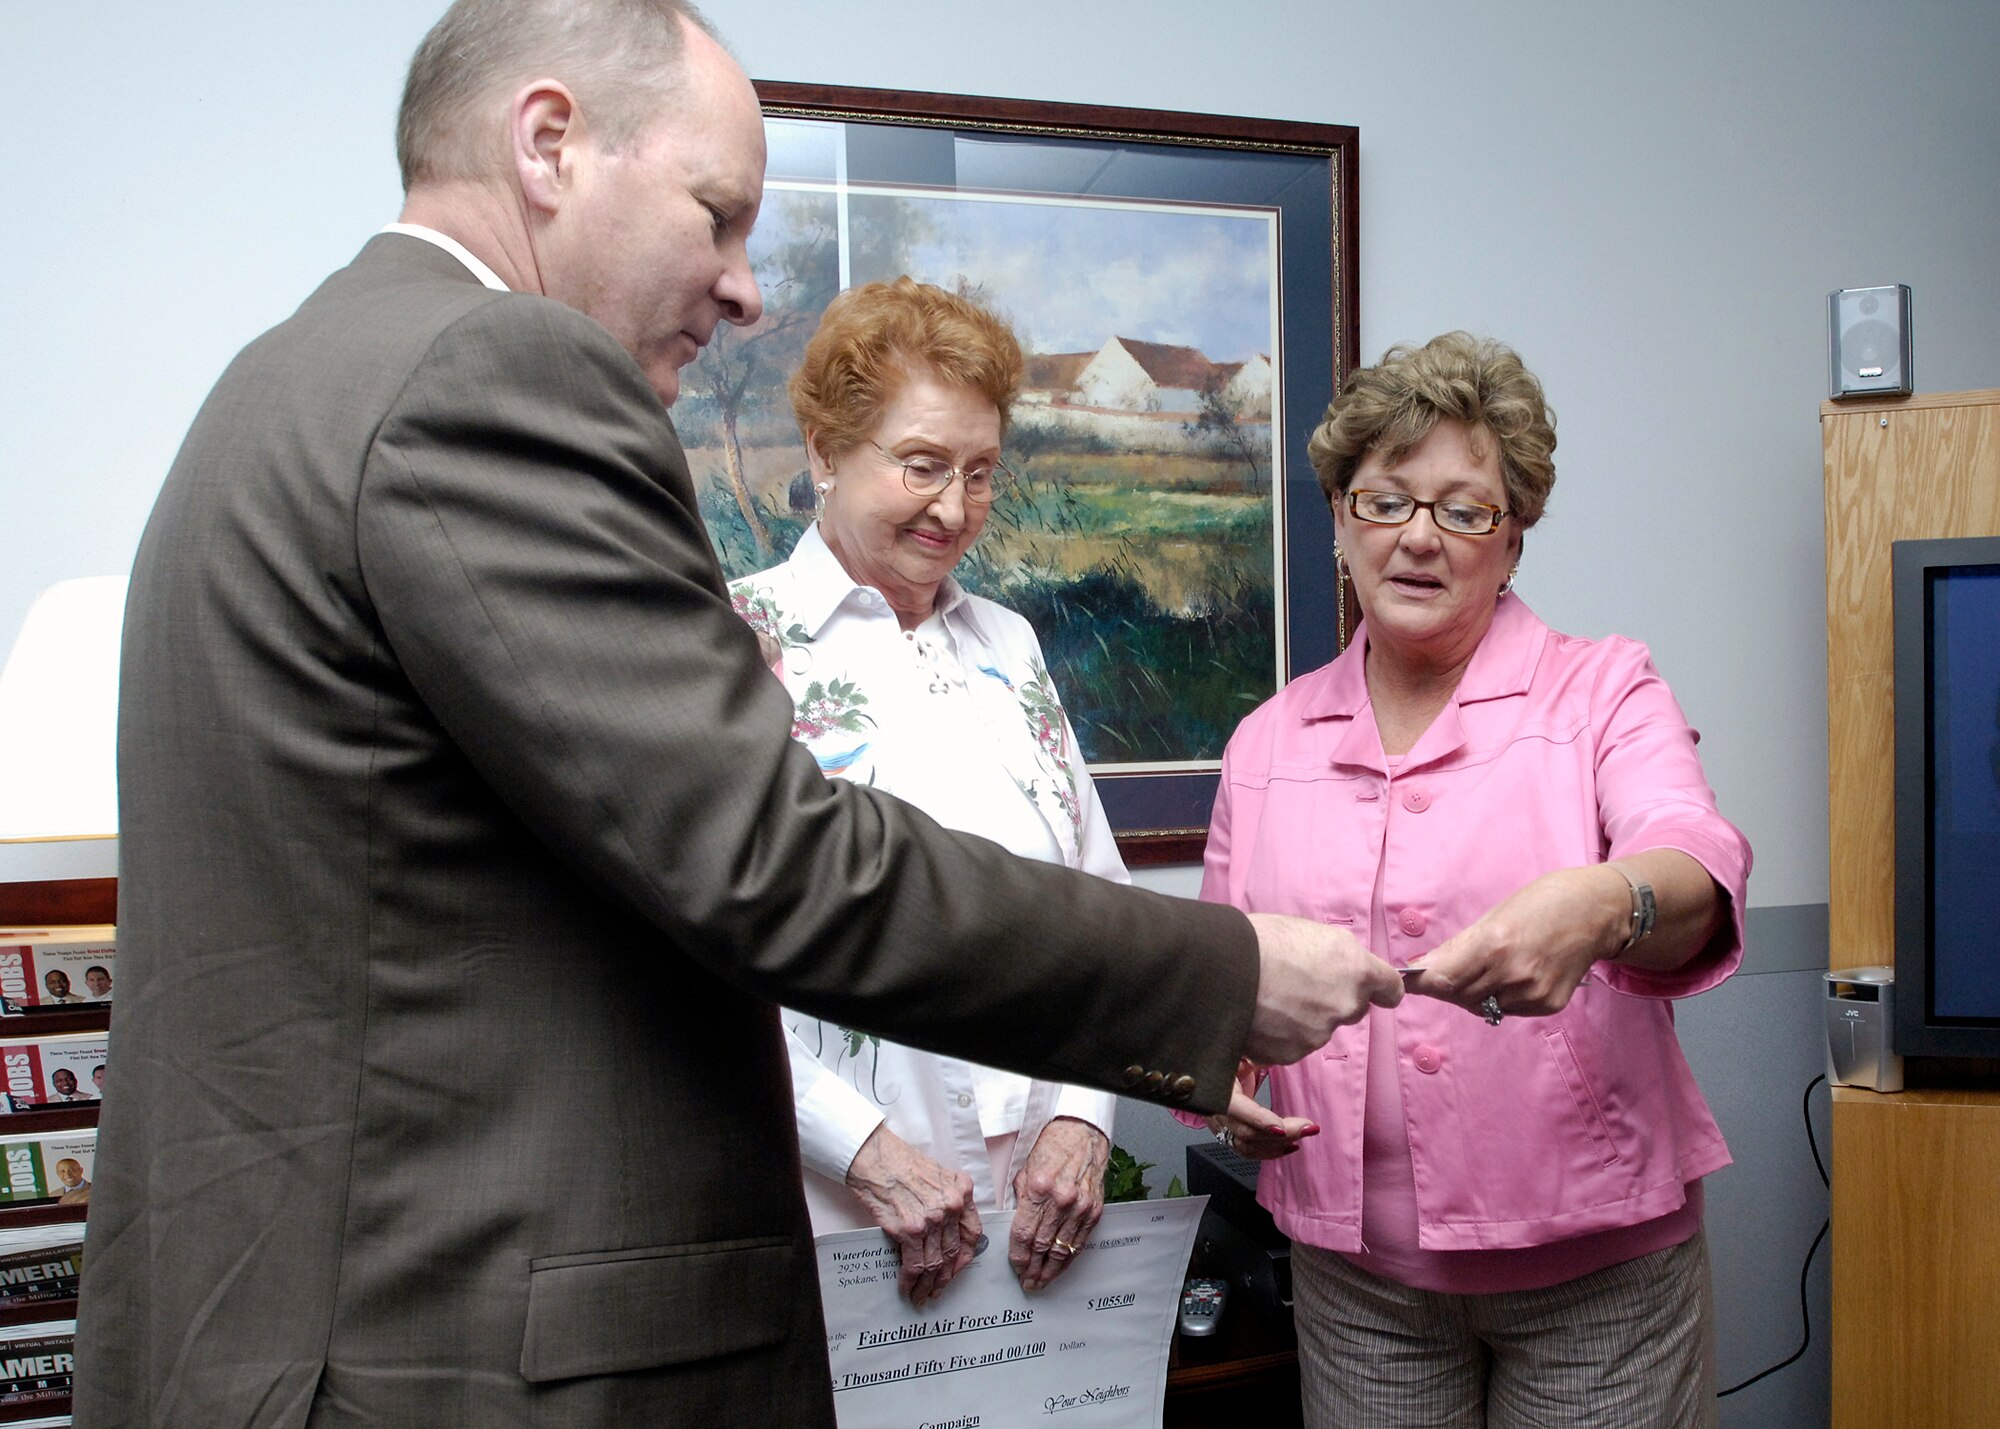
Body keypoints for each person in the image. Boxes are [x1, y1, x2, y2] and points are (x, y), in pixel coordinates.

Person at [72, 3, 1401, 1425]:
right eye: (715, 216)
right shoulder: (488, 372)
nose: (745, 289)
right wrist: (1217, 975)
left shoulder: (292, 376)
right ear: (548, 145)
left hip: (297, 1318)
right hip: (445, 1349)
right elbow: (769, 860)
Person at [1194, 333, 1751, 1428]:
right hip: (1358, 1284)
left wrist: (1605, 903)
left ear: (1512, 539)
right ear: (1339, 517)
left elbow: (1692, 853)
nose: (1418, 536)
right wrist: (1221, 1070)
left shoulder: (1601, 688)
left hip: (1599, 1279)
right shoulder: (1266, 740)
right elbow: (1221, 971)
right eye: (1384, 500)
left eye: (1463, 509)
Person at [734, 279, 1122, 1306]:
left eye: (979, 472)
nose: (954, 509)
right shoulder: (733, 641)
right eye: (920, 465)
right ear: (824, 451)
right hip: (827, 1193)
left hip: (1042, 1203)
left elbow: (1100, 901)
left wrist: (1083, 1116)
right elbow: (694, 955)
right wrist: (862, 1151)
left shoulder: (1009, 644)